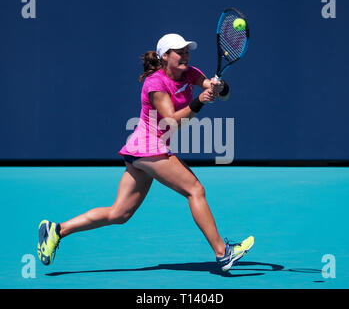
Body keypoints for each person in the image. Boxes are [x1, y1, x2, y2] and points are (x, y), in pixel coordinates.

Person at [37, 33, 254, 272]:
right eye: (178, 52)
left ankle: (57, 230)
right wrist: (200, 101)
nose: (184, 56)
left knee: (120, 213)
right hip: (149, 147)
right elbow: (171, 119)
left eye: (186, 51)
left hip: (141, 150)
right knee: (195, 190)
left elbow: (222, 94)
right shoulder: (155, 83)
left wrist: (218, 87)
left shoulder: (190, 72)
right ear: (164, 57)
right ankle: (222, 253)